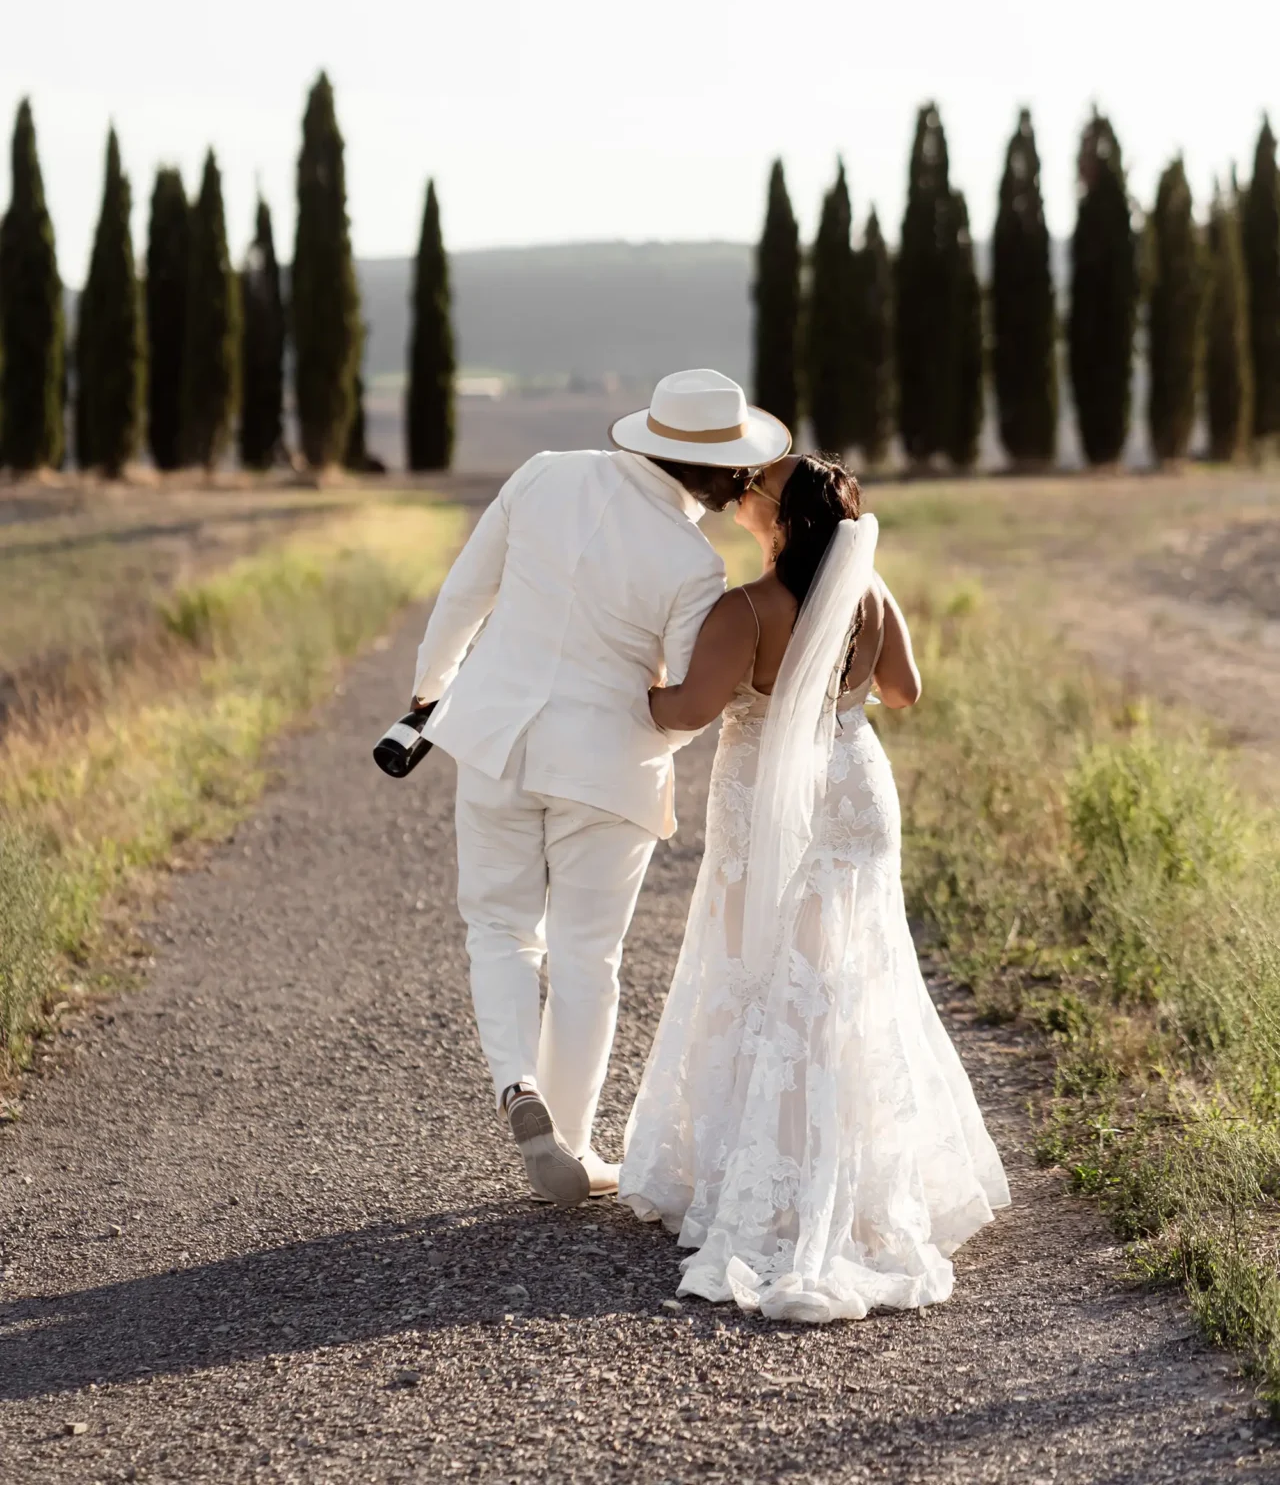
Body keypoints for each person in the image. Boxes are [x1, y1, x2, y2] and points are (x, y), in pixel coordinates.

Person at [618, 453, 1009, 1321]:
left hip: (769, 806)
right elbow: (903, 691)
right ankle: (862, 1172)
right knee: (852, 977)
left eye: (755, 486)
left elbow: (684, 713)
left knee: (765, 974)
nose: (741, 490)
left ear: (781, 520)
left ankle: (768, 1180)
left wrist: (630, 680)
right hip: (857, 789)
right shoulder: (867, 593)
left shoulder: (745, 610)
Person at [409, 369, 790, 1207]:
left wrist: (427, 691)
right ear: (720, 472)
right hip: (609, 767)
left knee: (500, 928)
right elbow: (686, 706)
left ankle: (517, 1086)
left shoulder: (544, 471)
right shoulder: (694, 564)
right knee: (589, 958)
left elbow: (467, 590)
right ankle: (573, 1146)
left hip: (494, 739)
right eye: (741, 469)